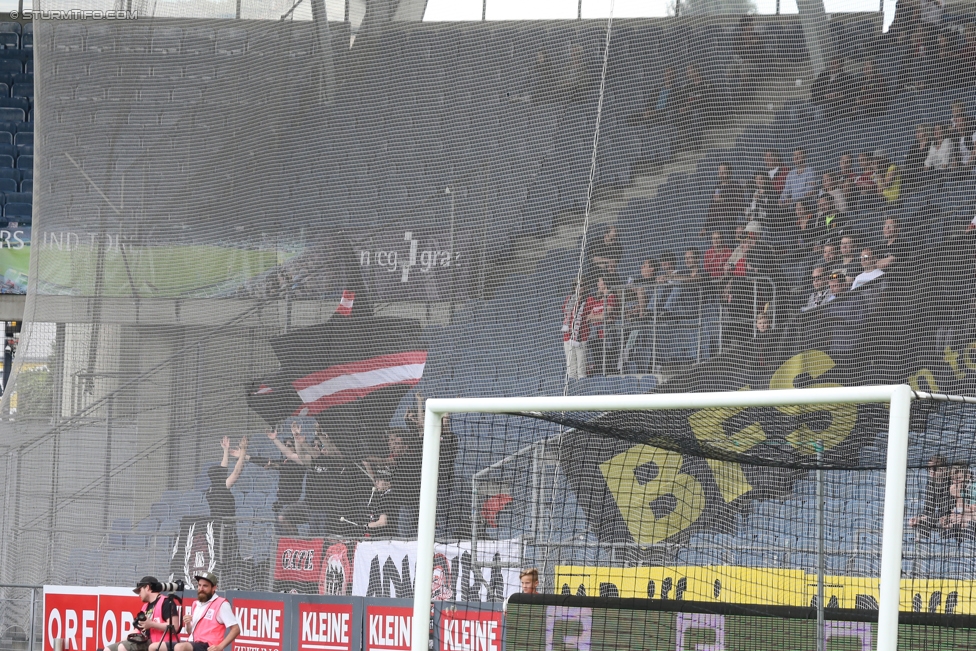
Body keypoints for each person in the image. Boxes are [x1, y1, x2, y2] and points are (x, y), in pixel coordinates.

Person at [103, 577, 181, 651]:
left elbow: (175, 627)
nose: (139, 594)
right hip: (144, 641)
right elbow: (138, 630)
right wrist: (121, 641)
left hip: (159, 643)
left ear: (147, 587)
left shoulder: (166, 602)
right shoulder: (145, 607)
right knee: (108, 649)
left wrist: (152, 624)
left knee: (123, 647)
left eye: (140, 590)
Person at [205, 437, 247, 574]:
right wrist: (243, 453)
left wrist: (225, 451)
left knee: (218, 556)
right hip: (226, 528)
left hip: (215, 527)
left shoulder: (210, 489)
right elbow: (237, 471)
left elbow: (223, 470)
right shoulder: (223, 486)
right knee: (228, 557)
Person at [176, 573, 239, 651]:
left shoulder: (221, 603)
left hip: (209, 646)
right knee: (158, 646)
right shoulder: (196, 604)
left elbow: (236, 629)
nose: (201, 588)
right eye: (199, 585)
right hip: (194, 644)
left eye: (205, 586)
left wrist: (220, 647)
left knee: (180, 647)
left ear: (214, 588)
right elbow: (191, 633)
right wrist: (188, 623)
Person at [910, 456, 952, 533]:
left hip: (953, 517)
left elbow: (949, 511)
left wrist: (924, 518)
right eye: (929, 469)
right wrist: (919, 518)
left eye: (934, 468)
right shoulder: (931, 485)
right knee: (920, 525)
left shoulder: (951, 485)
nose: (931, 471)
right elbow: (928, 510)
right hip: (939, 518)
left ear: (944, 469)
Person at [561, 278, 590, 379]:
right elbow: (565, 313)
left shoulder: (588, 299)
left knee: (581, 369)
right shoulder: (569, 299)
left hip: (581, 337)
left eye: (581, 285)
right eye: (576, 285)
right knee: (571, 369)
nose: (578, 287)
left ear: (585, 287)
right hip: (568, 337)